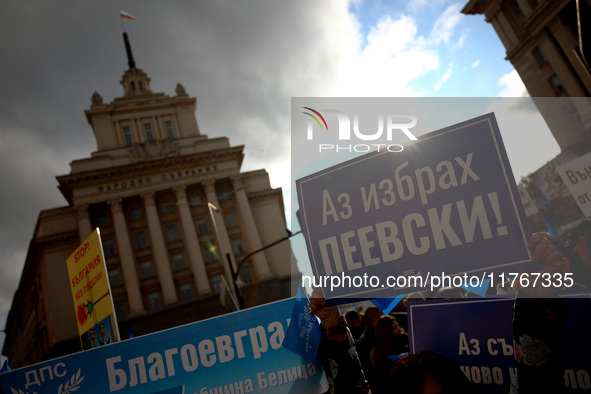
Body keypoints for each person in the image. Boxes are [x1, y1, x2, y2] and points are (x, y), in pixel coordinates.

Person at [369, 315, 409, 393]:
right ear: (387, 332)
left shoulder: (405, 340)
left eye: (397, 325)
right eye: (395, 327)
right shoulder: (378, 353)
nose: (399, 329)